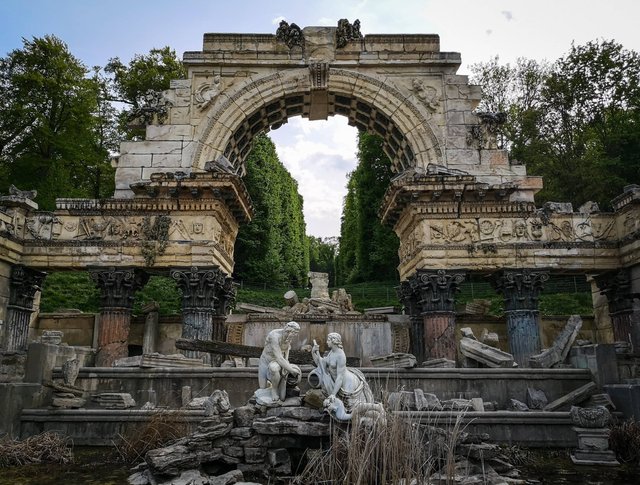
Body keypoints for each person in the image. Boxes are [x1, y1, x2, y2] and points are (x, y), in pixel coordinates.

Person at [311, 332, 373, 413]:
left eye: (328, 340)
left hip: (346, 383)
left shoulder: (340, 355)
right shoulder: (331, 352)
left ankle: (374, 407)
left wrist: (333, 394)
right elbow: (320, 364)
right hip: (336, 382)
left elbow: (340, 377)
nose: (326, 342)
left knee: (353, 407)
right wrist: (313, 352)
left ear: (334, 341)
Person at [257, 321, 301, 403]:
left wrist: (286, 363)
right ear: (288, 331)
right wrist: (291, 370)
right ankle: (270, 392)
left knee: (274, 368)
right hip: (266, 360)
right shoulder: (274, 336)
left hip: (277, 362)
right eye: (293, 333)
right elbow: (279, 357)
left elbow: (287, 350)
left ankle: (274, 389)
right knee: (262, 388)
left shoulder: (289, 337)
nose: (294, 336)